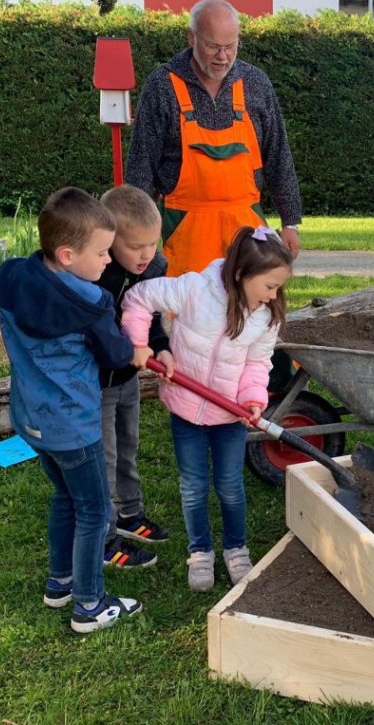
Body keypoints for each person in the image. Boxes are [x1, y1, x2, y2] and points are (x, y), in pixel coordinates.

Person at [0, 187, 144, 634]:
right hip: (75, 427)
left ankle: (59, 582)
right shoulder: (93, 303)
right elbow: (116, 355)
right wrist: (137, 350)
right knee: (94, 511)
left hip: (31, 421)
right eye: (102, 253)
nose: (108, 261)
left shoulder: (15, 275)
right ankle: (89, 604)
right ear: (66, 254)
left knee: (65, 498)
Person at [121, 224, 292, 591]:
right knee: (194, 486)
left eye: (278, 287)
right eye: (270, 286)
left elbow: (257, 364)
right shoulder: (194, 289)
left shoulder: (265, 317)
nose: (273, 294)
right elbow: (138, 298)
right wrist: (140, 343)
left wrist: (252, 400)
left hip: (230, 414)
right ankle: (200, 552)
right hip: (186, 409)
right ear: (243, 273)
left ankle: (236, 549)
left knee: (230, 486)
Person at [125, 0, 303, 278]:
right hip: (185, 229)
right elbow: (141, 165)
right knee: (190, 314)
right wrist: (134, 232)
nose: (223, 56)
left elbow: (278, 155)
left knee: (249, 311)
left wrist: (290, 222)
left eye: (230, 46)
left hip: (247, 229)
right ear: (191, 37)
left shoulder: (256, 83)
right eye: (213, 47)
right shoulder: (162, 86)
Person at [95, 185, 176, 571]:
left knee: (129, 446)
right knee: (104, 459)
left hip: (127, 380)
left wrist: (161, 347)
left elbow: (153, 317)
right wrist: (130, 349)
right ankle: (104, 538)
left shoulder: (154, 267)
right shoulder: (95, 273)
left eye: (152, 243)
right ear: (109, 241)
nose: (146, 255)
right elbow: (98, 332)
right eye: (135, 246)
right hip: (95, 384)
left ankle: (130, 515)